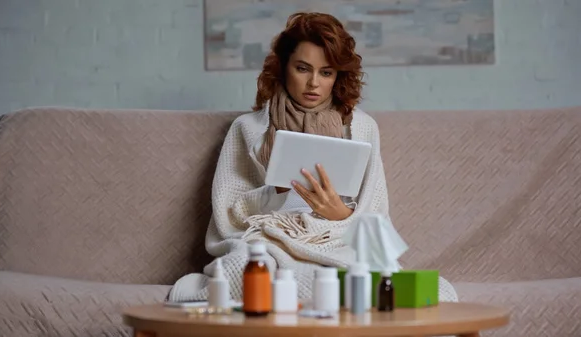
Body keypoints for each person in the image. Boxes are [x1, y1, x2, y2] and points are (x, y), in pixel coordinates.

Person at [168, 12, 458, 303]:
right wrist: (274, 194)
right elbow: (226, 215)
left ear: (338, 76)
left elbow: (376, 216)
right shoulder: (248, 128)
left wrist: (341, 214)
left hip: (337, 240)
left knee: (438, 293)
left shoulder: (362, 127)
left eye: (326, 72)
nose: (313, 84)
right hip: (270, 242)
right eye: (303, 69)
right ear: (283, 68)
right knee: (243, 271)